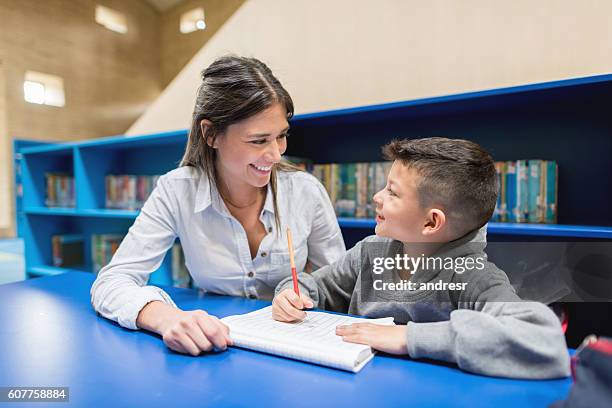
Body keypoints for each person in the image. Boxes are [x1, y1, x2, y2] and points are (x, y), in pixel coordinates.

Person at [91, 55, 346, 356]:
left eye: (281, 136)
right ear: (211, 134)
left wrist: (305, 294)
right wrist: (166, 318)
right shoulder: (177, 189)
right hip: (215, 346)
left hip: (295, 348)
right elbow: (112, 281)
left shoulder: (306, 192)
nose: (276, 155)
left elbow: (341, 283)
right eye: (258, 141)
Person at [273, 137, 570, 379]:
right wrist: (291, 292)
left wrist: (407, 338)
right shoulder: (371, 251)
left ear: (431, 222)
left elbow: (544, 338)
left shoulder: (471, 275)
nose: (377, 196)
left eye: (392, 192)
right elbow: (317, 287)